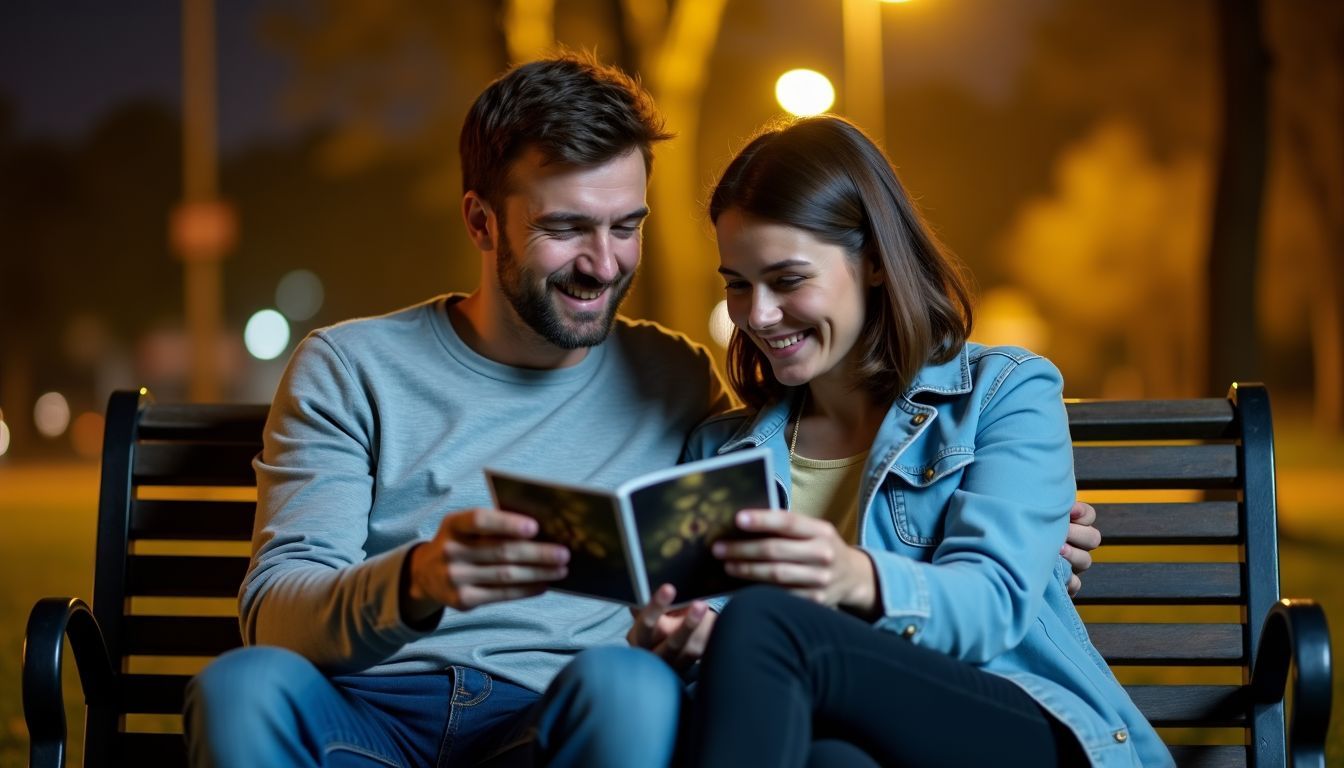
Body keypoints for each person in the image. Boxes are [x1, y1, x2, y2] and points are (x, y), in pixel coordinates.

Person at [184, 53, 1101, 767]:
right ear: (480, 221)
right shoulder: (352, 368)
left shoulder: (675, 380)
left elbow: (898, 564)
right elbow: (277, 611)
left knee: (633, 682)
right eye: (564, 228)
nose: (603, 262)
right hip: (367, 714)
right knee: (243, 688)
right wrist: (419, 579)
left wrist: (1021, 531)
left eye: (626, 225)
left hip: (557, 719)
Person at [671, 115, 1169, 767]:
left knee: (767, 623)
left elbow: (993, 603)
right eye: (737, 283)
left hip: (1011, 724)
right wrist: (685, 638)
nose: (757, 314)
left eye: (787, 279)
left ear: (875, 262)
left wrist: (851, 574)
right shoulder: (719, 452)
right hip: (835, 742)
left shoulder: (1004, 393)